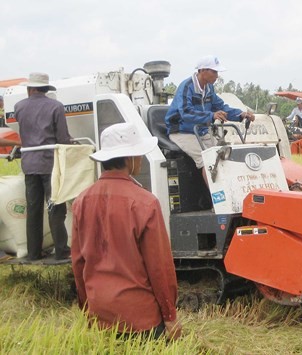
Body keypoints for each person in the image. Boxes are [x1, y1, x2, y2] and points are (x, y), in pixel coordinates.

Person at [71, 122, 181, 340]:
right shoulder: (145, 202)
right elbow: (159, 267)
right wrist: (170, 316)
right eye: (138, 154)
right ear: (129, 159)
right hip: (140, 320)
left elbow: (78, 263)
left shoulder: (81, 201)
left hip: (100, 315)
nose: (140, 159)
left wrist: (87, 311)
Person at [165, 55, 255, 184]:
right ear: (202, 71)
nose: (217, 76)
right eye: (214, 71)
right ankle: (218, 200)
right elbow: (185, 112)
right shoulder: (186, 87)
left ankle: (231, 192)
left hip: (200, 131)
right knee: (207, 161)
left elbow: (221, 107)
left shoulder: (209, 89)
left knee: (224, 157)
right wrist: (211, 115)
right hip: (181, 131)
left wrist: (241, 114)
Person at [14, 73, 72, 261]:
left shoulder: (19, 107)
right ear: (46, 89)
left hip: (29, 165)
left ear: (30, 88)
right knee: (55, 207)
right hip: (49, 164)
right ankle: (61, 251)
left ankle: (33, 253)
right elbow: (63, 138)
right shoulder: (56, 107)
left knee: (33, 209)